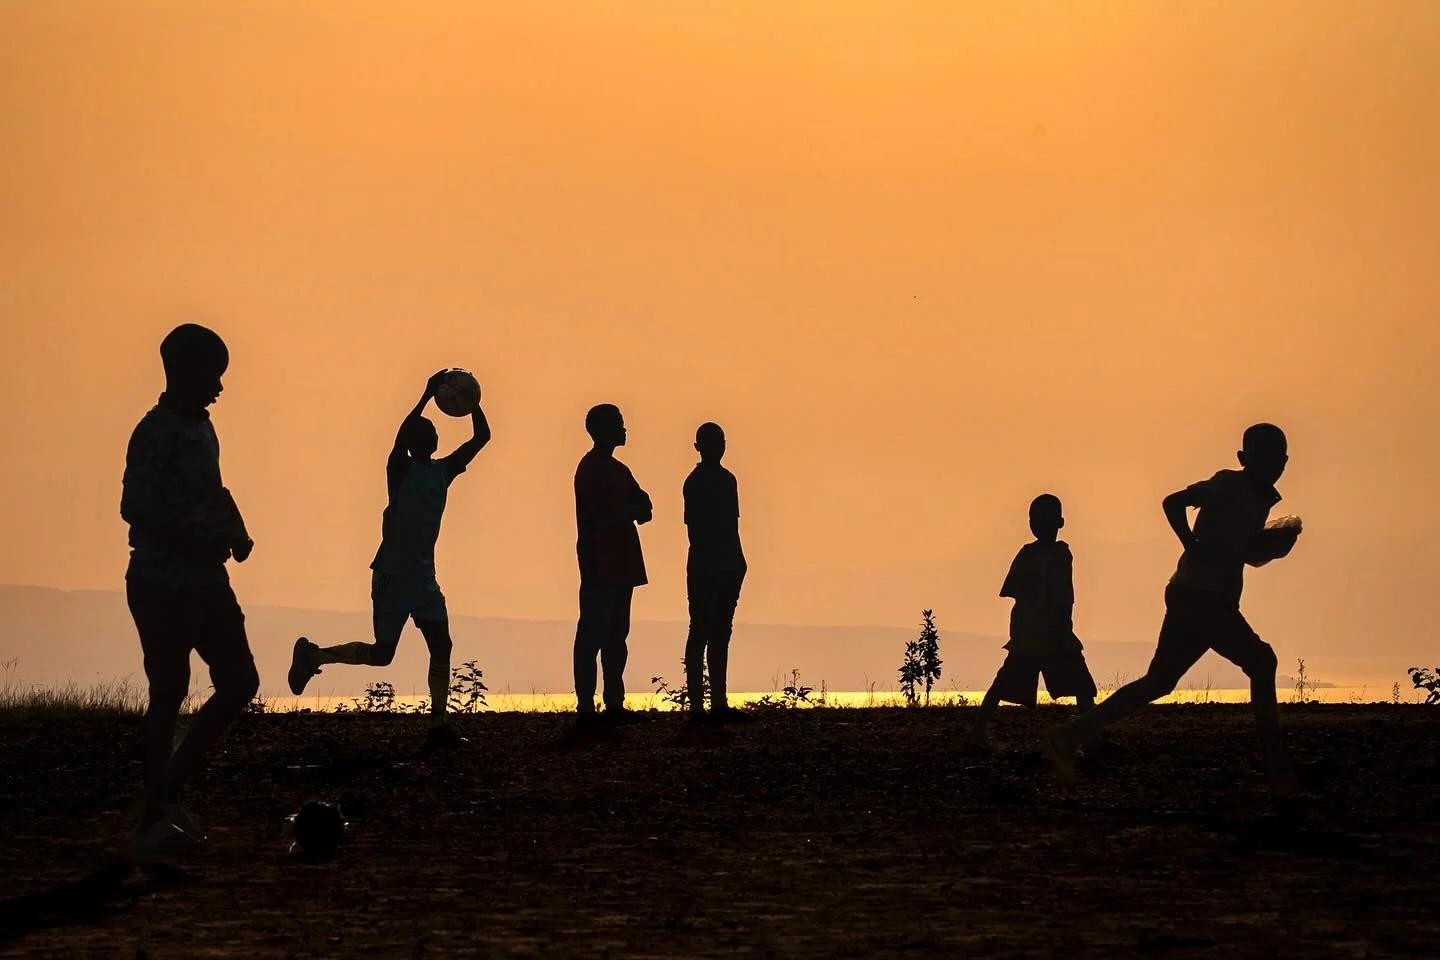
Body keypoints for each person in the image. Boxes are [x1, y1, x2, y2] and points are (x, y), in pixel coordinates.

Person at [1046, 423, 1301, 793]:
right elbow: (1172, 502)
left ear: (1284, 462)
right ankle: (1275, 760)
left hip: (1195, 596)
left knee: (1159, 682)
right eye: (1265, 457)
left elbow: (1238, 550)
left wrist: (1271, 547)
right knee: (1262, 661)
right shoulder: (1229, 484)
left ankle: (1070, 735)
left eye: (1278, 459)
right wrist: (1189, 542)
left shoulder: (1260, 498)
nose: (1273, 465)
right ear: (1245, 459)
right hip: (1201, 598)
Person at [288, 370, 490, 752]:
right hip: (394, 576)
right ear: (415, 442)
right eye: (425, 432)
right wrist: (425, 395)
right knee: (383, 655)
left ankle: (438, 726)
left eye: (433, 431)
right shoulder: (399, 470)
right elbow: (400, 436)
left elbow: (481, 438)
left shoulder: (442, 471)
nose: (433, 434)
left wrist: (474, 403)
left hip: (424, 579)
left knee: (442, 645)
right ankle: (313, 655)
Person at [121, 323, 260, 864]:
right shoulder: (155, 432)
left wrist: (233, 528)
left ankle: (163, 794)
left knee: (240, 681)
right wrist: (193, 536)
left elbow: (210, 492)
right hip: (162, 582)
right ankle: (153, 818)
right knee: (169, 690)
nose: (219, 388)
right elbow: (135, 506)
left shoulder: (203, 429)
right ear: (182, 372)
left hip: (207, 580)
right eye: (213, 376)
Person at [965, 494, 1095, 749]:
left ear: (1059, 522)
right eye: (1036, 519)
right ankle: (1091, 738)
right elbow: (1060, 598)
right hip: (1044, 631)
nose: (1038, 525)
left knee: (1078, 686)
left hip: (1035, 631)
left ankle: (978, 731)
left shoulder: (1039, 554)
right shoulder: (1054, 555)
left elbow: (1018, 591)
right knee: (1081, 686)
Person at [572, 403, 651, 722]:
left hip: (622, 561)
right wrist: (630, 509)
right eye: (618, 423)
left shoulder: (618, 470)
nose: (624, 428)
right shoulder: (590, 469)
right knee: (593, 633)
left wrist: (630, 509)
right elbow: (610, 513)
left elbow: (643, 504)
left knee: (617, 634)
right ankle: (586, 706)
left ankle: (614, 703)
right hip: (599, 562)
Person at [682, 422, 748, 723]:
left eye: (720, 441)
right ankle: (697, 705)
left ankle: (718, 702)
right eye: (710, 442)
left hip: (728, 564)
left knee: (721, 632)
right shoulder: (695, 483)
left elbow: (732, 527)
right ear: (699, 446)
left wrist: (738, 561)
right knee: (701, 632)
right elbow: (696, 531)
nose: (717, 447)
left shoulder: (728, 480)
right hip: (706, 566)